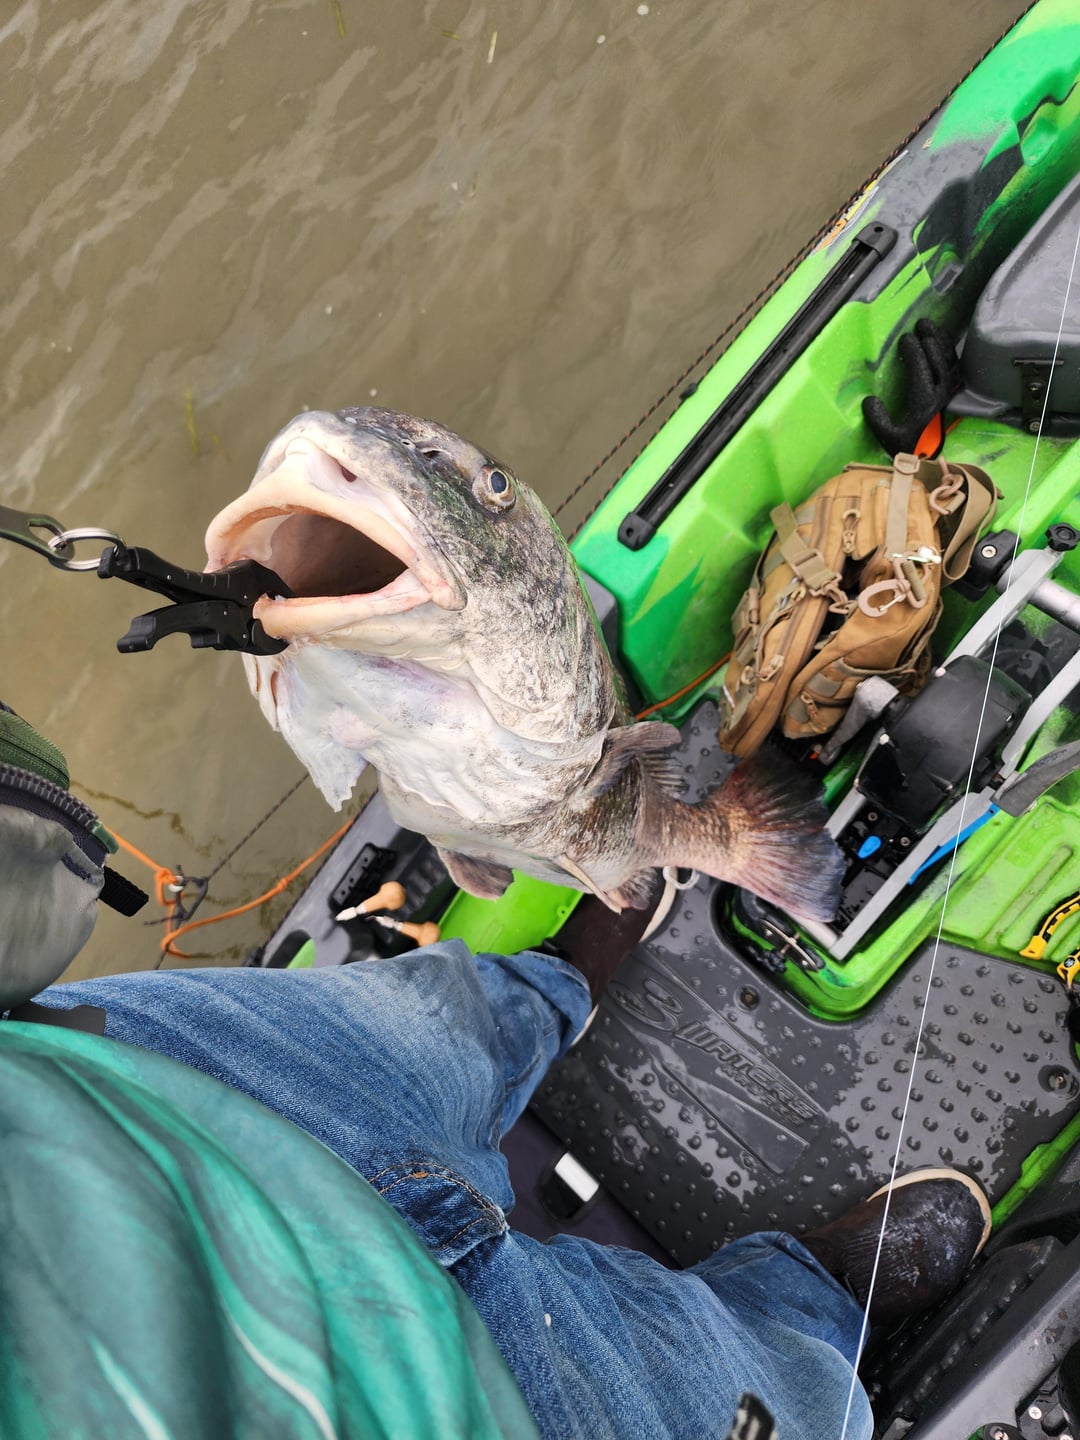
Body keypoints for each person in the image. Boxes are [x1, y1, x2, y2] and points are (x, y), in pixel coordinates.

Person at [0, 704, 991, 1438]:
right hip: (388, 1406)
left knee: (434, 1023)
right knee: (732, 1394)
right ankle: (809, 1293)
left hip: (89, 1088)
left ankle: (559, 982)